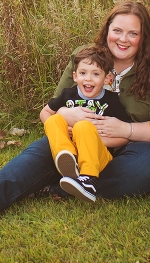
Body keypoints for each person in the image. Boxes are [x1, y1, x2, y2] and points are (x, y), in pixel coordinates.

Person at [0, 0, 150, 226]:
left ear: (143, 37)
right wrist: (65, 116)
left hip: (135, 147)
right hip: (78, 140)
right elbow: (53, 111)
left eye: (133, 33)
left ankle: (56, 186)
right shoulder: (85, 58)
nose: (124, 39)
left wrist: (127, 130)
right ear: (107, 31)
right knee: (44, 149)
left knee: (147, 165)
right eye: (117, 31)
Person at [41, 45, 132, 203]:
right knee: (54, 119)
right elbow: (44, 112)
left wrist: (95, 139)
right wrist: (65, 129)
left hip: (98, 157)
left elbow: (125, 136)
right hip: (71, 148)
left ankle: (89, 180)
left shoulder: (111, 101)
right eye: (83, 73)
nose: (88, 79)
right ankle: (66, 158)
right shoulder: (68, 94)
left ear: (107, 79)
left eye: (96, 74)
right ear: (75, 76)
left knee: (83, 126)